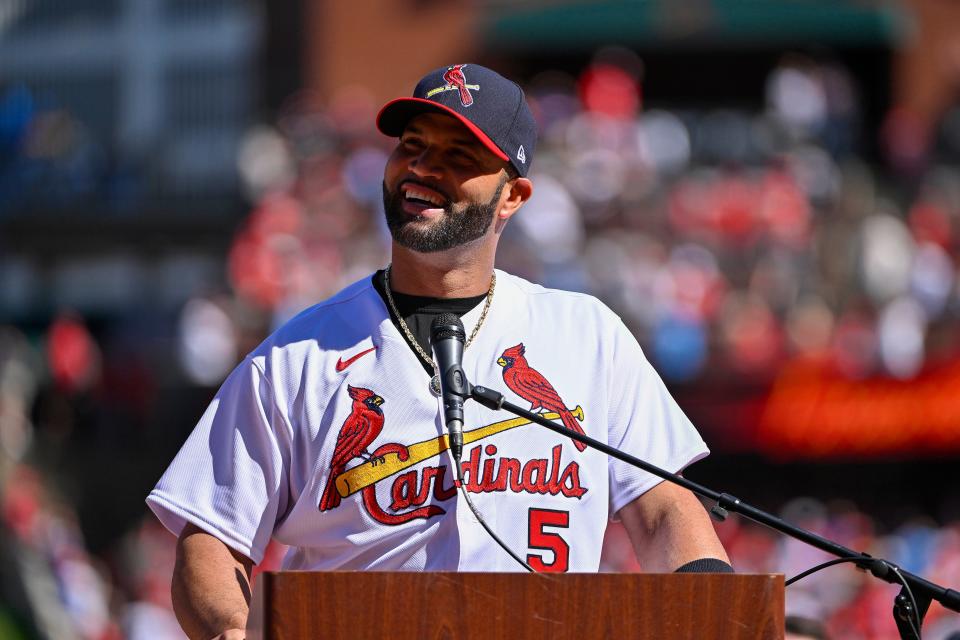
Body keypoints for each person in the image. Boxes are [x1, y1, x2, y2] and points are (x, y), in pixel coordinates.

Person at [147, 63, 730, 640]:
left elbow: (664, 515)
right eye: (412, 146)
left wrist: (716, 619)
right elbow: (212, 535)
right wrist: (230, 629)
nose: (424, 168)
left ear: (513, 196)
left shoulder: (588, 335)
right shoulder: (297, 356)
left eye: (460, 156)